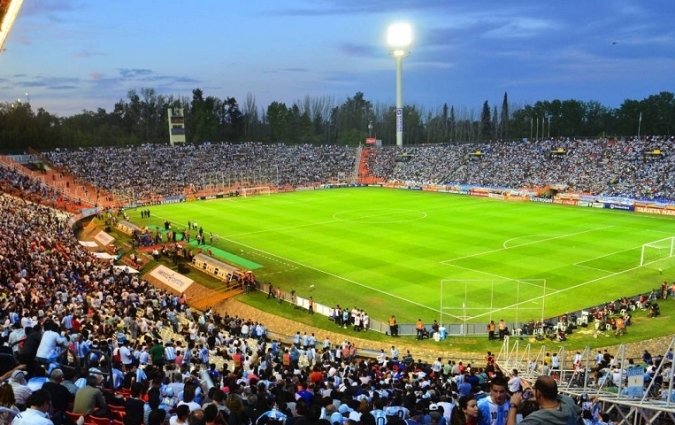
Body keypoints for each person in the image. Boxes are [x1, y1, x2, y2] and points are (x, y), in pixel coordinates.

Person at [507, 375, 583, 425]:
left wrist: (513, 405)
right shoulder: (569, 404)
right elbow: (557, 397)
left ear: (539, 393)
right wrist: (538, 396)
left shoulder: (536, 419)